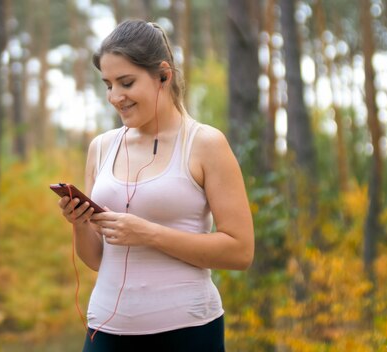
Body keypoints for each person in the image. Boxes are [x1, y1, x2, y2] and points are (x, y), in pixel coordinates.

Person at [57, 19, 254, 352]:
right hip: (106, 329)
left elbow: (240, 251)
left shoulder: (205, 143)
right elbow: (95, 259)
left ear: (164, 74)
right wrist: (80, 223)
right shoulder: (101, 148)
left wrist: (147, 233)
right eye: (107, 84)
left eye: (126, 82)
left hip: (188, 331)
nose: (115, 97)